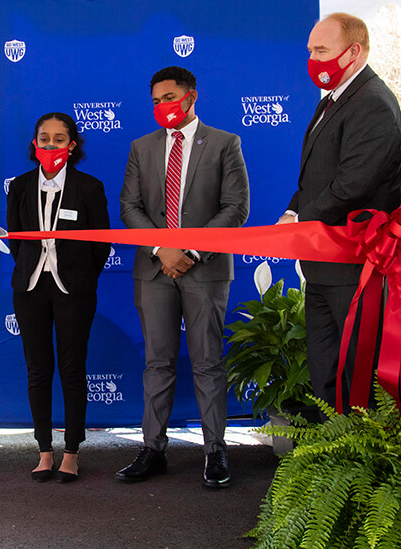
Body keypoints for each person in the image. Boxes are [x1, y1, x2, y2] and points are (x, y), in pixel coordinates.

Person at [117, 66, 249, 489]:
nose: (162, 106)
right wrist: (162, 250)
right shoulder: (142, 146)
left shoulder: (226, 143)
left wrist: (190, 251)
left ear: (192, 96)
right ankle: (153, 449)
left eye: (170, 97)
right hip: (154, 270)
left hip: (205, 269)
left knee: (209, 362)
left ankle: (215, 451)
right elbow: (129, 207)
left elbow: (235, 207)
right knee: (158, 362)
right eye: (156, 101)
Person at [277, 12, 401, 414]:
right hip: (323, 264)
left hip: (354, 264)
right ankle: (332, 459)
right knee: (326, 372)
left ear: (353, 52)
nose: (313, 59)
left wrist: (301, 221)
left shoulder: (374, 104)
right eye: (311, 51)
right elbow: (316, 178)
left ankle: (361, 470)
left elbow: (352, 186)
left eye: (322, 50)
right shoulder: (333, 101)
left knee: (358, 377)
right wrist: (292, 210)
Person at [6, 113, 111, 484]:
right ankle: (44, 451)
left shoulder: (89, 187)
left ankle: (72, 452)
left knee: (71, 368)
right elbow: (17, 242)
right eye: (44, 138)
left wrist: (79, 277)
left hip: (74, 291)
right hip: (30, 289)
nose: (51, 145)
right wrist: (33, 270)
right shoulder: (18, 187)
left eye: (59, 138)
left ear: (73, 144)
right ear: (35, 144)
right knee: (37, 370)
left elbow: (101, 245)